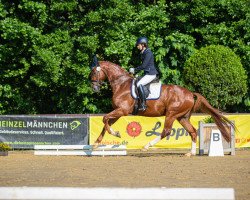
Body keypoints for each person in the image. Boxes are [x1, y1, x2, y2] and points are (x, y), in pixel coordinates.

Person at [129, 37, 159, 111]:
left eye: (138, 45)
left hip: (151, 74)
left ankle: (143, 104)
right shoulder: (144, 52)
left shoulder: (148, 53)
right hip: (147, 73)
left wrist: (134, 70)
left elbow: (144, 66)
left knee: (139, 84)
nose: (137, 46)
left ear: (143, 45)